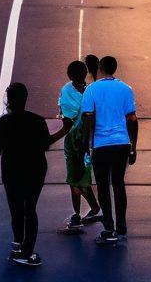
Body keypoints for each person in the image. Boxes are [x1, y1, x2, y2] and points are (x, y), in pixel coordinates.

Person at [0, 82, 52, 267]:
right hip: (35, 170)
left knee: (15, 208)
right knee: (30, 209)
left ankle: (17, 243)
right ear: (26, 99)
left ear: (9, 99)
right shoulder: (38, 120)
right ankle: (28, 250)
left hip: (12, 171)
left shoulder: (4, 122)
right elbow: (46, 144)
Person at [81, 55, 138, 246]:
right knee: (119, 183)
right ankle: (121, 225)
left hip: (101, 144)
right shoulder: (126, 89)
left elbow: (88, 117)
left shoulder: (92, 89)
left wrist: (86, 144)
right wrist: (133, 146)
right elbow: (132, 119)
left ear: (100, 68)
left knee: (103, 186)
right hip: (121, 143)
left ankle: (108, 226)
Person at [48, 60, 101, 230]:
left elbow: (67, 126)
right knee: (84, 176)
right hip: (89, 141)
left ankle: (77, 216)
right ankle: (94, 208)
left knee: (74, 179)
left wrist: (50, 139)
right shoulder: (91, 91)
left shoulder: (66, 91)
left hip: (73, 142)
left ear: (69, 76)